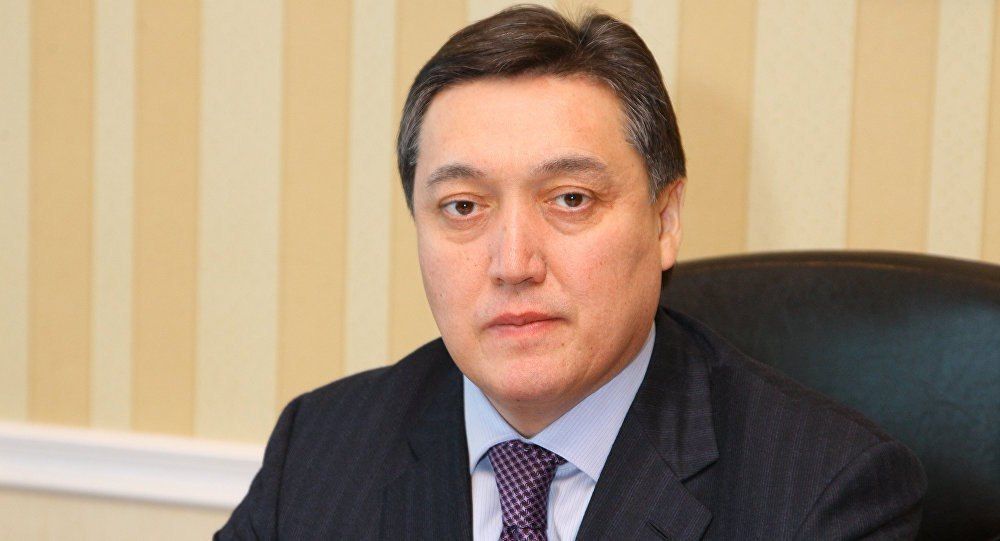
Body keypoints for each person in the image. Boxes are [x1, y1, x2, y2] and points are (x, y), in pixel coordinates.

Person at [217, 5, 926, 540]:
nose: (513, 264)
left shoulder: (824, 494)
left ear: (665, 219)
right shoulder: (320, 449)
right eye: (463, 206)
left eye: (570, 200)